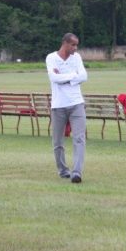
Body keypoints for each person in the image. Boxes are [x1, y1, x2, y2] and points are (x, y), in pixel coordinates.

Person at [46, 33, 88, 183]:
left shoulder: (76, 58)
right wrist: (73, 76)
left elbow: (84, 76)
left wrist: (65, 77)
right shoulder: (51, 58)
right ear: (65, 43)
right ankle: (63, 170)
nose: (75, 48)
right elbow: (54, 78)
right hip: (58, 106)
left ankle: (77, 173)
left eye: (77, 45)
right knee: (58, 142)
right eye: (73, 45)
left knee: (79, 138)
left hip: (77, 104)